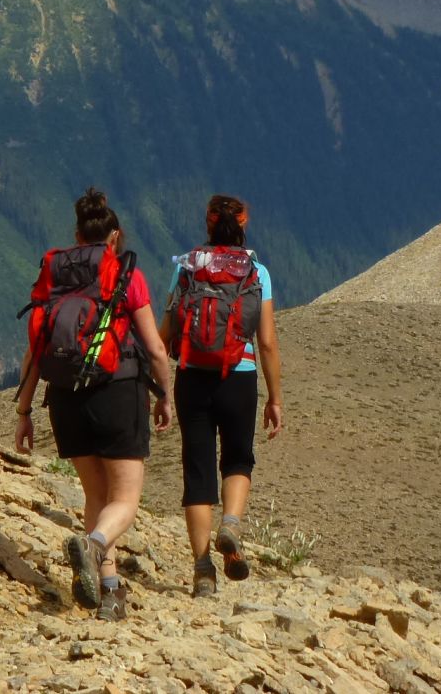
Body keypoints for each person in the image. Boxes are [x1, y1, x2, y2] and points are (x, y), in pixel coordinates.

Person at [15, 188, 175, 620]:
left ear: (76, 234)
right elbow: (156, 348)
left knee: (96, 496)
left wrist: (24, 412)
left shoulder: (54, 277)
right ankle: (94, 545)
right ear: (114, 236)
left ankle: (108, 591)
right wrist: (167, 396)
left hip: (65, 400)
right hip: (117, 392)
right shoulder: (124, 274)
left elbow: (34, 350)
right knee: (123, 501)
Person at [161, 193, 284, 598]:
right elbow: (266, 342)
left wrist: (158, 389)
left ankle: (202, 572)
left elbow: (164, 337)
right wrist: (275, 398)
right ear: (244, 225)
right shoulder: (257, 272)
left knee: (197, 471)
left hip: (191, 377)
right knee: (237, 458)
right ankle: (230, 524)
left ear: (208, 224)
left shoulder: (186, 269)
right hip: (240, 375)